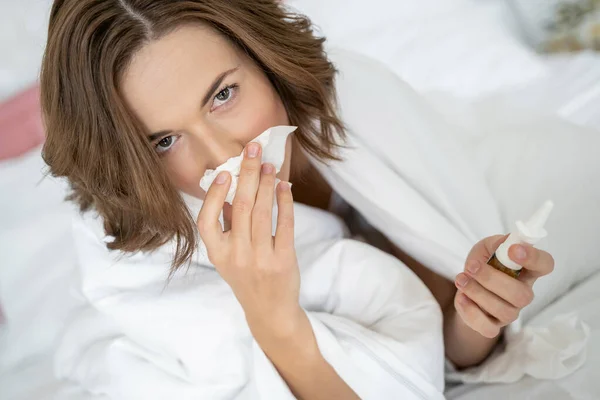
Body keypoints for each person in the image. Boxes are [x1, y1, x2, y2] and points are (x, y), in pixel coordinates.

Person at [40, 0, 554, 397]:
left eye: (223, 95)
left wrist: (478, 315)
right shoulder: (145, 261)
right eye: (164, 140)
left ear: (263, 57)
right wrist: (274, 321)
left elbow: (440, 357)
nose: (227, 156)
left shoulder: (356, 107)